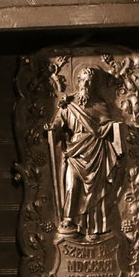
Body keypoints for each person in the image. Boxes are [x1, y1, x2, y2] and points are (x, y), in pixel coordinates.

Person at [48, 67, 123, 240]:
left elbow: (106, 125)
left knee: (95, 191)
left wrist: (114, 127)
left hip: (96, 152)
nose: (85, 85)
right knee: (71, 185)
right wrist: (53, 128)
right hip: (75, 152)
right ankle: (68, 219)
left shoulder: (101, 105)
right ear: (78, 82)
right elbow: (59, 123)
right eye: (82, 80)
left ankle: (94, 229)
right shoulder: (68, 105)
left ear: (94, 85)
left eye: (89, 82)